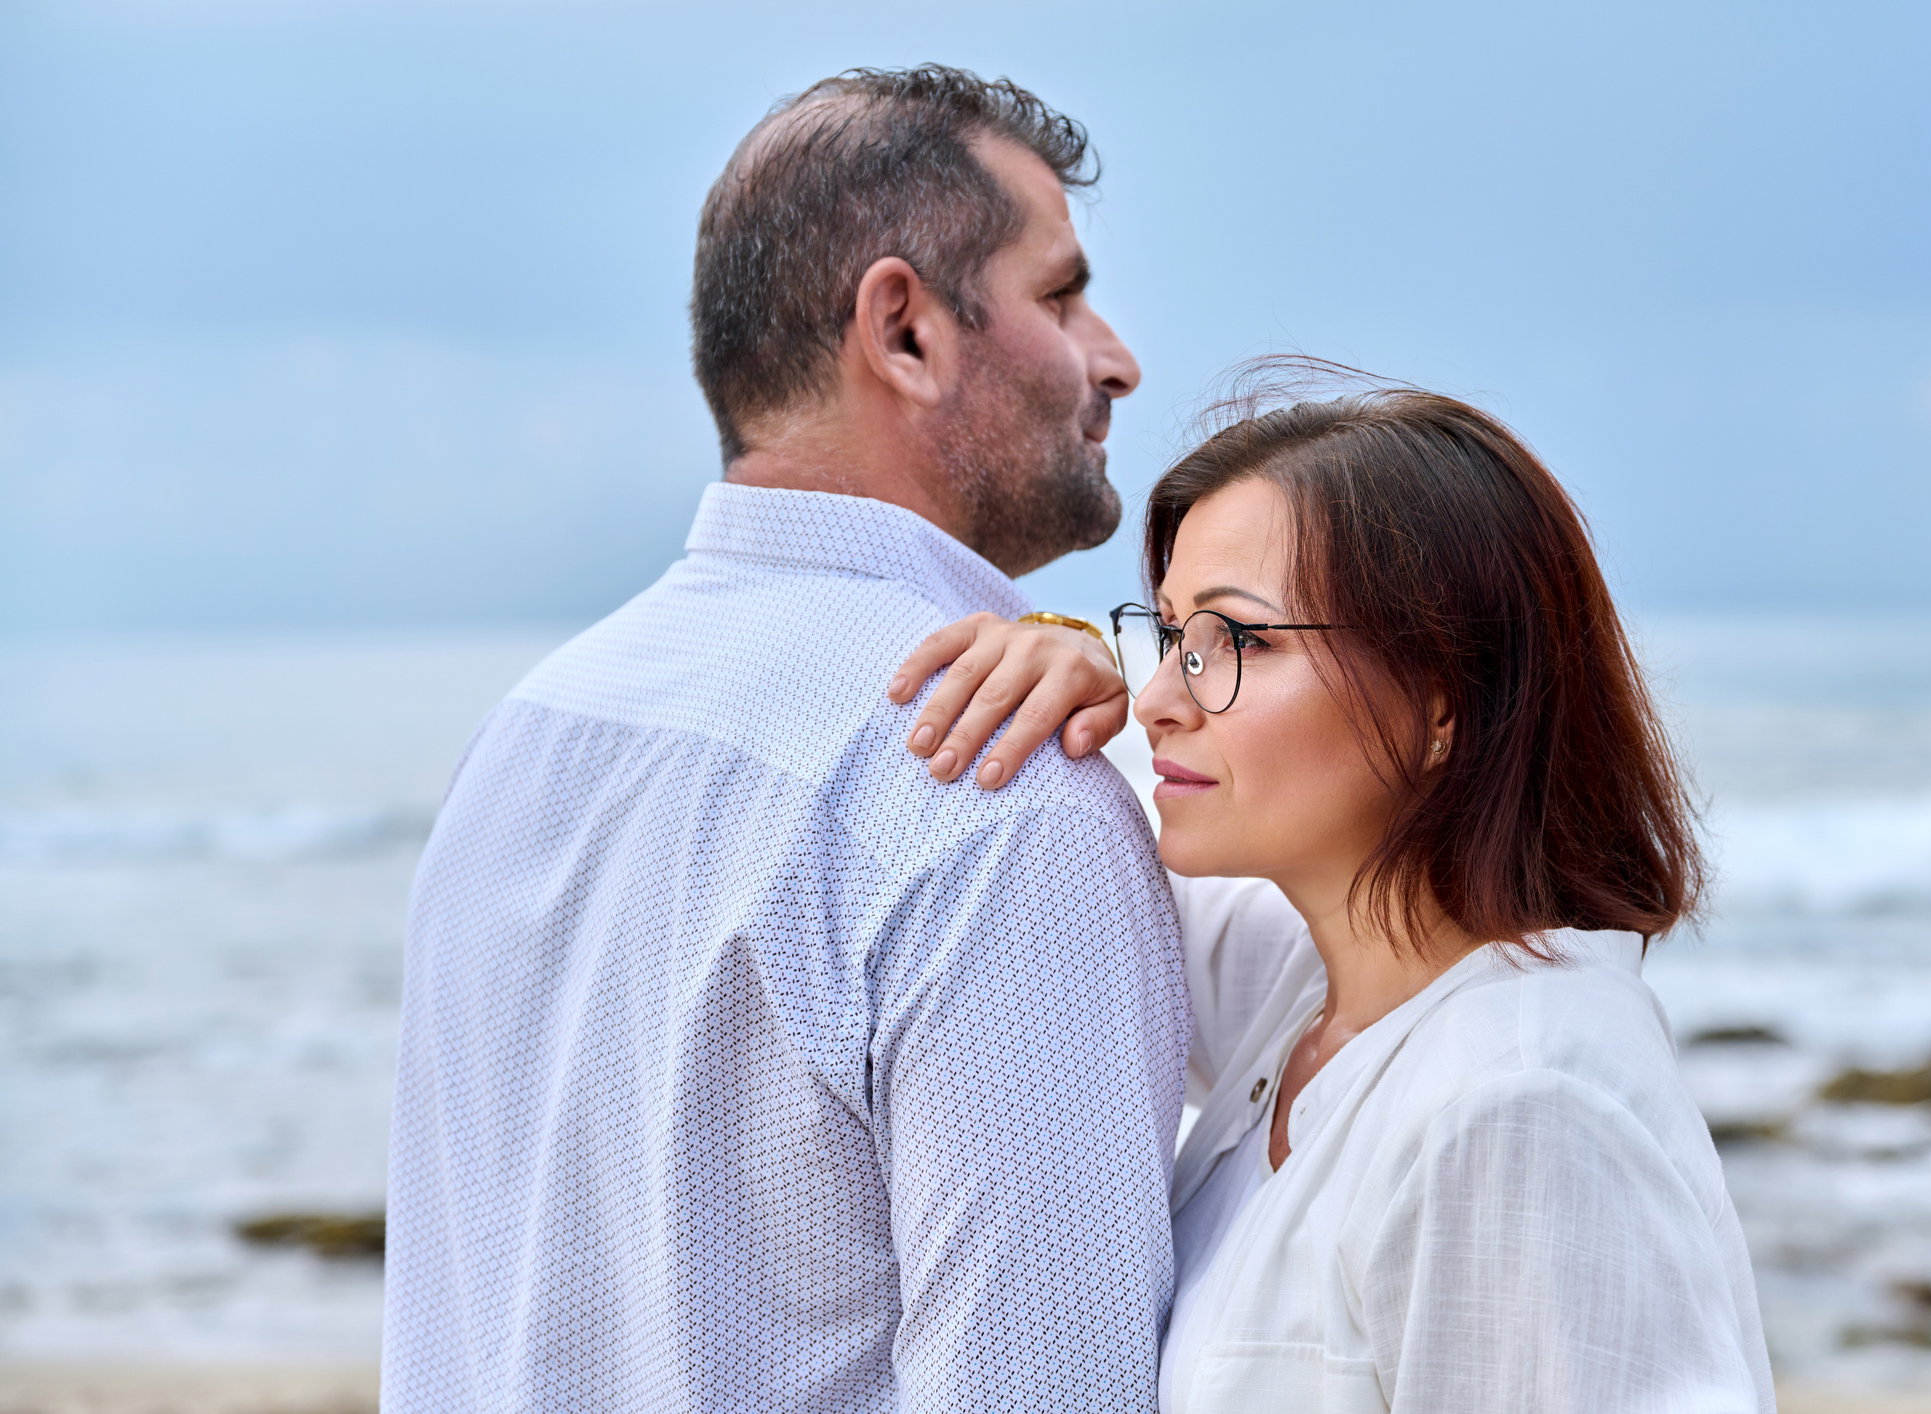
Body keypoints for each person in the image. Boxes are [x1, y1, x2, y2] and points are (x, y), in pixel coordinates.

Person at [381, 66, 1190, 1413]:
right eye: (1058, 295)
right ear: (905, 330)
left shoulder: (529, 736)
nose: (1114, 358)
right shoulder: (990, 784)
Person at [894, 375, 1777, 1412]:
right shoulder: (1319, 977)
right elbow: (1056, 891)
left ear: (1445, 697)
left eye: (1240, 642)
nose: (1161, 699)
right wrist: (1060, 644)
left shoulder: (1515, 1106)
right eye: (1171, 635)